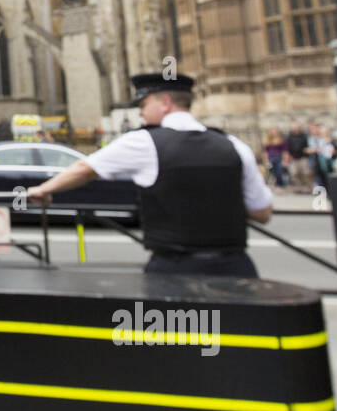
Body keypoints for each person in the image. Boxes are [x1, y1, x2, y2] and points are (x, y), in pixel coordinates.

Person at [28, 72, 273, 278]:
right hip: (236, 269)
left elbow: (85, 169)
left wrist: (43, 189)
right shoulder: (233, 145)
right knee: (234, 333)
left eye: (143, 105)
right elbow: (262, 212)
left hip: (176, 270)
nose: (141, 114)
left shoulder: (144, 142)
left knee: (178, 334)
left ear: (165, 102)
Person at [285, 122, 311, 193]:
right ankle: (299, 187)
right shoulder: (290, 137)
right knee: (295, 173)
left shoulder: (304, 136)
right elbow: (287, 147)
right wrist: (288, 157)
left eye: (298, 127)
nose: (296, 129)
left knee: (306, 173)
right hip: (293, 157)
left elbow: (308, 145)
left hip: (303, 157)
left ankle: (308, 187)